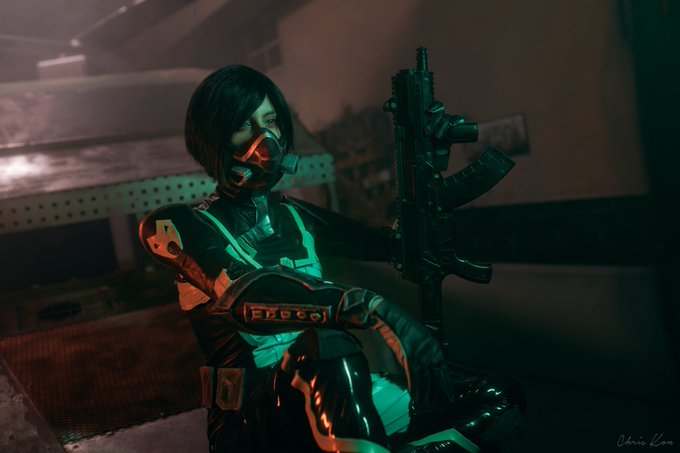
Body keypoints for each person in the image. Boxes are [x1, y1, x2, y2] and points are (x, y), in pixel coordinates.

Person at [138, 65, 525, 453]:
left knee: (495, 397)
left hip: (336, 394)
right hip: (250, 423)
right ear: (214, 138)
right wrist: (370, 308)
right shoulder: (177, 225)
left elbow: (389, 245)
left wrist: (428, 172)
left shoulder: (296, 216)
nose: (265, 138)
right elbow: (242, 294)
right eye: (244, 125)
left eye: (270, 121)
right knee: (326, 344)